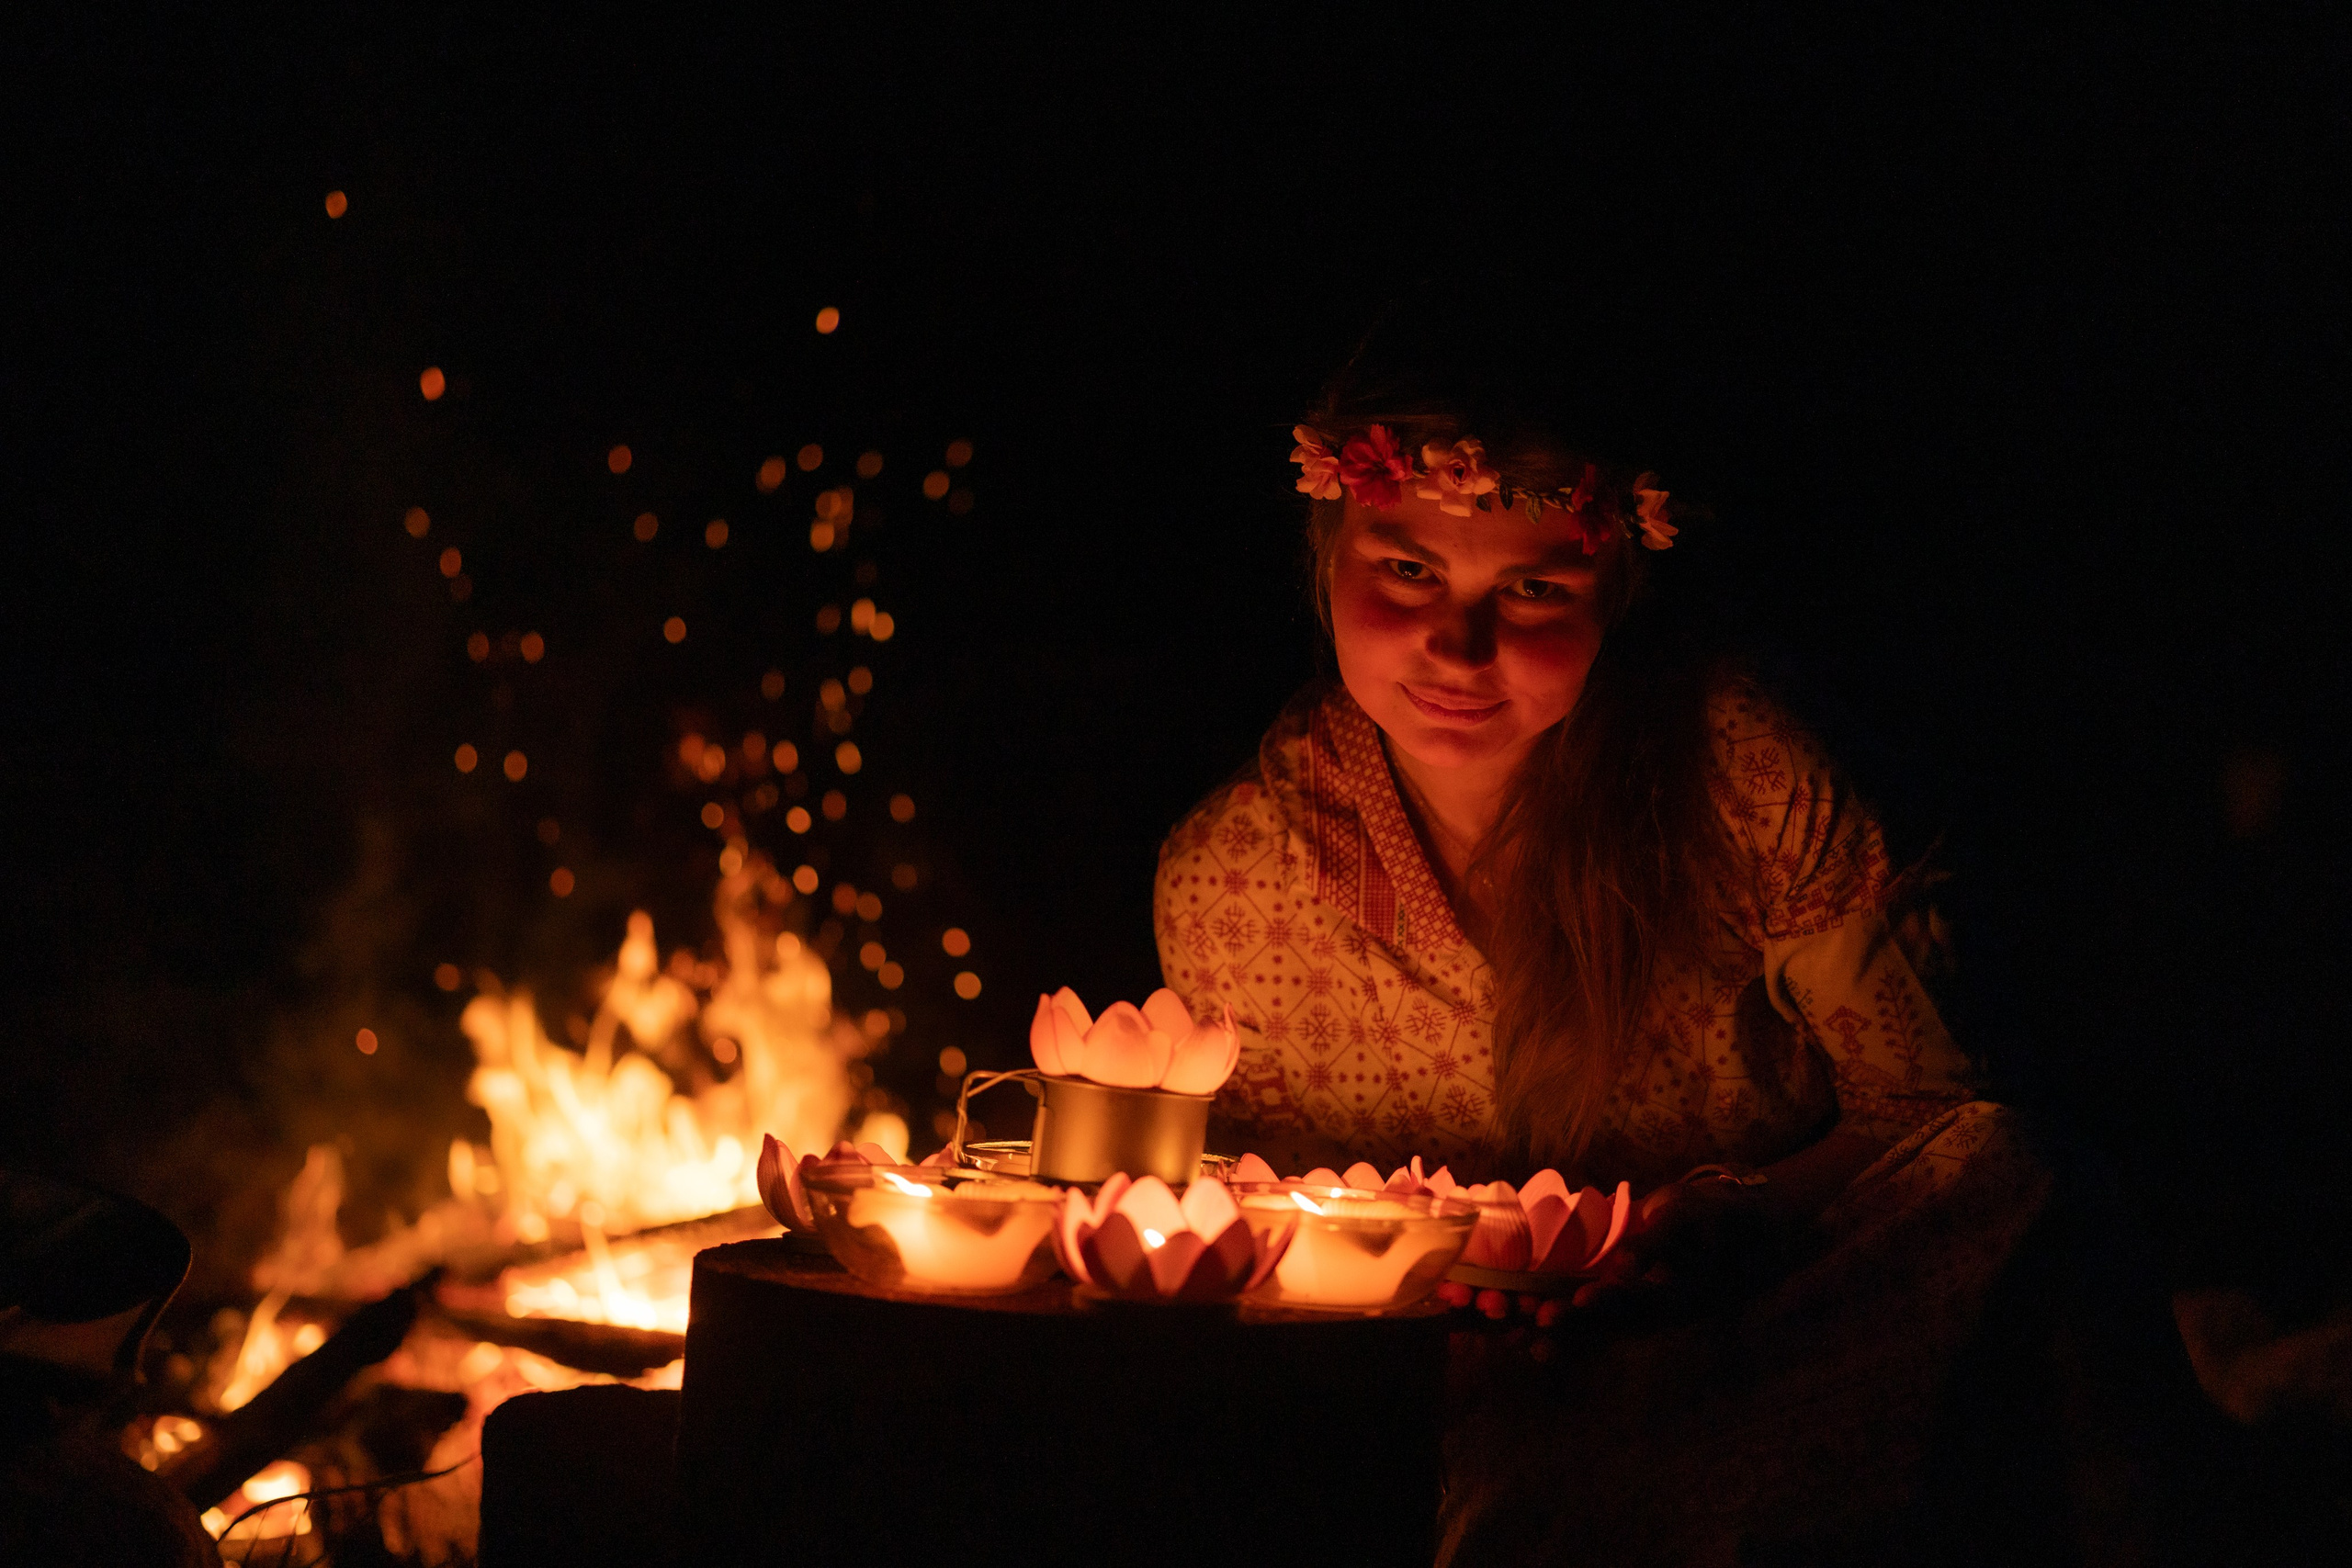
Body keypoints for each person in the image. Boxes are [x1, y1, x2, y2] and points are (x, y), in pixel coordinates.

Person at [1151, 302, 2050, 1562]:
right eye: (1406, 570)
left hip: (1783, 1313)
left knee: (2017, 1176)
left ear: (1617, 584)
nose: (1458, 647)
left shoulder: (1742, 777)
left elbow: (1936, 1112)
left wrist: (1734, 1220)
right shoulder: (1238, 873)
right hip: (1445, 1390)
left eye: (1532, 589)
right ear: (1327, 556)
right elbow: (1272, 1220)